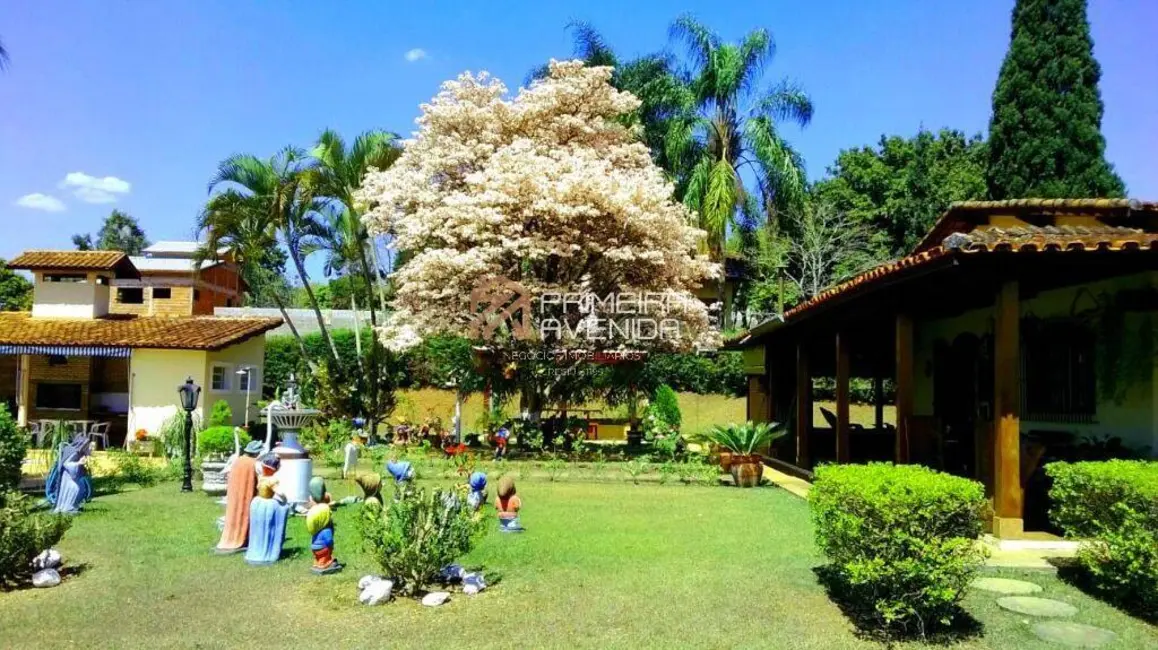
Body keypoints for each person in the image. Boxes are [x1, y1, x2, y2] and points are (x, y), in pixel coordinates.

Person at [216, 440, 263, 553]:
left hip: (234, 494)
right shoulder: (254, 463)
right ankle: (242, 538)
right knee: (244, 515)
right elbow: (261, 479)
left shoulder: (237, 461)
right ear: (256, 453)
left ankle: (230, 537)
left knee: (233, 515)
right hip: (247, 495)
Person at [245, 478, 289, 566]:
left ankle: (255, 550)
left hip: (259, 504)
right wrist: (285, 502)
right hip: (268, 505)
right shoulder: (271, 483)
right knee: (268, 528)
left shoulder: (255, 501)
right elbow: (281, 494)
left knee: (258, 529)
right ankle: (268, 552)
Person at [47, 435, 92, 514]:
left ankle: (74, 505)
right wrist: (78, 463)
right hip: (68, 477)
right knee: (75, 488)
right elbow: (67, 464)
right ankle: (68, 507)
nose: (87, 447)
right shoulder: (73, 452)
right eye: (86, 445)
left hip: (75, 477)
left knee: (80, 489)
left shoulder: (79, 453)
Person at [305, 500, 342, 574]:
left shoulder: (316, 531)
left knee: (319, 556)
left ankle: (317, 562)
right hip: (323, 549)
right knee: (327, 551)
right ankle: (324, 563)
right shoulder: (326, 530)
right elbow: (329, 540)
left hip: (314, 549)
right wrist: (331, 545)